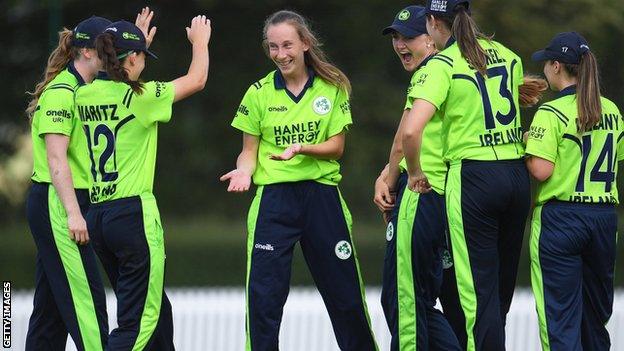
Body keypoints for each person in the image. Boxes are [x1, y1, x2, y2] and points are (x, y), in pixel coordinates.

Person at [221, 10, 377, 351]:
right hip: (274, 203)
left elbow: (336, 147)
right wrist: (245, 170)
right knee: (264, 301)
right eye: (273, 47)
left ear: (305, 44)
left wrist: (302, 148)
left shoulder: (331, 87)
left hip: (321, 198)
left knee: (347, 298)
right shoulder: (258, 93)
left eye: (288, 45)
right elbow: (248, 151)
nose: (281, 54)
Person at [399, 0, 540, 349]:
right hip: (515, 176)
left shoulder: (442, 64)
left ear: (432, 22)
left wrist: (414, 172)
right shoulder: (507, 54)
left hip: (474, 178)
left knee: (477, 294)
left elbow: (411, 132)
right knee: (501, 290)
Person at [75, 16, 210, 350]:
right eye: (142, 59)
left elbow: (118, 78)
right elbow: (197, 80)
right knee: (139, 325)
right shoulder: (143, 97)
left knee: (157, 312)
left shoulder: (85, 95)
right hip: (133, 216)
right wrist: (200, 43)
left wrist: (134, 43)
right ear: (132, 58)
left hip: (99, 218)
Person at [527, 32, 622, 351]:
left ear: (556, 66)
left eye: (546, 65)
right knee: (595, 320)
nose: (544, 72)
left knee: (560, 320)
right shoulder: (610, 109)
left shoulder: (551, 113)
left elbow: (542, 170)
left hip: (561, 219)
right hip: (604, 218)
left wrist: (529, 147)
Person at [375, 5, 460, 351]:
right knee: (427, 301)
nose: (400, 44)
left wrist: (396, 176)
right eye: (395, 36)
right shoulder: (462, 66)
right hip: (453, 195)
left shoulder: (433, 71)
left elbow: (408, 135)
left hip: (423, 191)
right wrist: (387, 174)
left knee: (403, 301)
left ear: (433, 35)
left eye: (409, 37)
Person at [25, 16, 111, 351]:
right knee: (87, 302)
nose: (114, 55)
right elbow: (56, 161)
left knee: (50, 311)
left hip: (69, 202)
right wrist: (74, 214)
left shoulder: (86, 88)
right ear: (89, 52)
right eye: (109, 48)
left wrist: (138, 44)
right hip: (59, 202)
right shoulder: (62, 91)